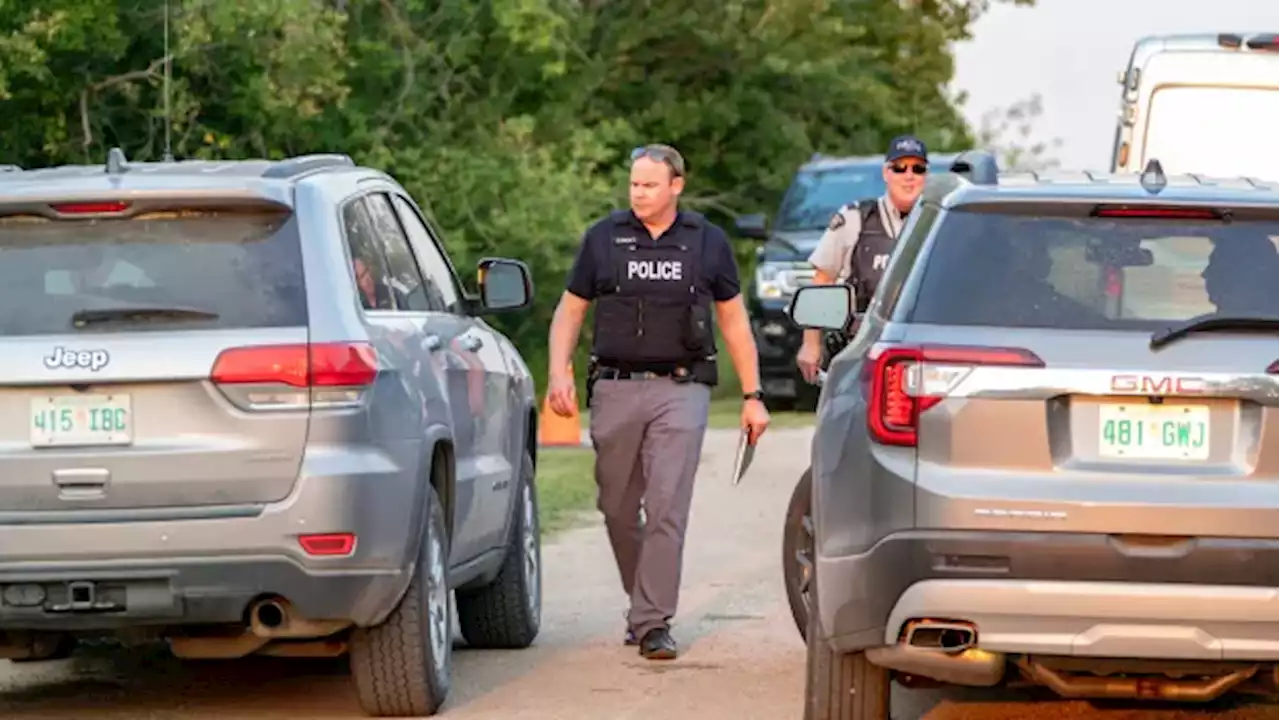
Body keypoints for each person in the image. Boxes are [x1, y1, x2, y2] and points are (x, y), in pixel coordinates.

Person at [546, 143, 771, 661]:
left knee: (667, 506)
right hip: (616, 388)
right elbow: (571, 310)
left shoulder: (707, 243)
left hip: (681, 388)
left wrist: (753, 395)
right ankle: (642, 601)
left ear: (676, 186)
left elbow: (734, 322)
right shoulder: (604, 238)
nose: (639, 192)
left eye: (650, 184)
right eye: (633, 184)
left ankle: (652, 623)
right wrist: (558, 370)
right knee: (618, 508)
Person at [796, 135, 930, 383]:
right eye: (900, 168)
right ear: (886, 173)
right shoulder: (855, 219)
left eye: (918, 168)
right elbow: (823, 279)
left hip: (923, 354)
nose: (909, 175)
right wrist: (811, 344)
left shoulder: (937, 223)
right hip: (859, 353)